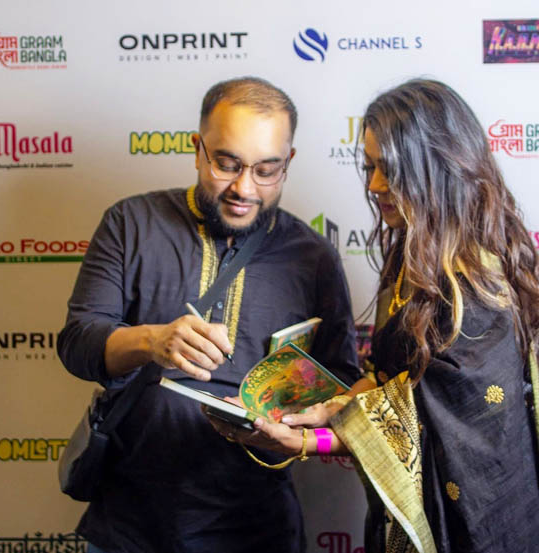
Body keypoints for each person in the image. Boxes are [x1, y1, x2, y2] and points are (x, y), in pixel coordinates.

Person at [211, 79, 539, 553]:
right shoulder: (413, 254)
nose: (374, 185)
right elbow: (397, 385)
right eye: (369, 167)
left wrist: (312, 440)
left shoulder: (477, 284)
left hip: (474, 523)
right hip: (408, 514)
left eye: (391, 169)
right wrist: (325, 408)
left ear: (437, 167)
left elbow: (447, 422)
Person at [56, 76, 359, 553]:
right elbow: (77, 343)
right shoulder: (131, 223)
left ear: (288, 164)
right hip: (131, 526)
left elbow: (342, 379)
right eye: (227, 164)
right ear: (198, 149)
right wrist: (150, 342)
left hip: (259, 528)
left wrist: (281, 413)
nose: (244, 188)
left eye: (266, 170)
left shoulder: (314, 256)